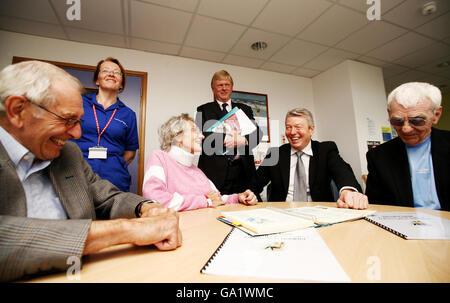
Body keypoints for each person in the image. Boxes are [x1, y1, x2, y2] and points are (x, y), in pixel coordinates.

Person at [0, 61, 181, 282]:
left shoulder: (69, 154)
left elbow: (107, 197)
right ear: (18, 110)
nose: (77, 134)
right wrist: (127, 230)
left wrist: (146, 207)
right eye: (68, 120)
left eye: (80, 122)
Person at [251, 108, 368, 209]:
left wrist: (349, 191)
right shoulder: (275, 153)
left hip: (319, 214)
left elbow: (342, 171)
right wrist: (249, 194)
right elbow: (254, 183)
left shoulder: (325, 150)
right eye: (288, 127)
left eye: (298, 127)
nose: (292, 132)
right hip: (282, 214)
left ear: (311, 129)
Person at [142, 114, 258, 211]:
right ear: (177, 136)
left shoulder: (196, 170)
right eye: (194, 131)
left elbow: (218, 199)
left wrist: (239, 197)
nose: (202, 136)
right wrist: (205, 200)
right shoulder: (159, 157)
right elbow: (155, 200)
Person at [365, 82, 449, 210]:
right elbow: (377, 205)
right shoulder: (378, 156)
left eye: (417, 121)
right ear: (389, 115)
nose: (406, 129)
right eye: (397, 121)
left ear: (436, 115)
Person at [71, 57, 139, 192]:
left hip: (114, 180)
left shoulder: (128, 114)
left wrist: (113, 165)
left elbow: (130, 153)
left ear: (121, 84)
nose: (111, 74)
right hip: (76, 175)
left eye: (117, 72)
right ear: (97, 80)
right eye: (105, 70)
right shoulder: (78, 103)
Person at [195, 70, 263, 198]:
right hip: (215, 173)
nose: (224, 88)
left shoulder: (245, 109)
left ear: (232, 87)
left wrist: (244, 140)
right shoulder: (203, 109)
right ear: (213, 88)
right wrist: (226, 139)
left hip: (243, 172)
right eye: (220, 85)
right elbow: (201, 135)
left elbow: (258, 133)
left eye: (227, 85)